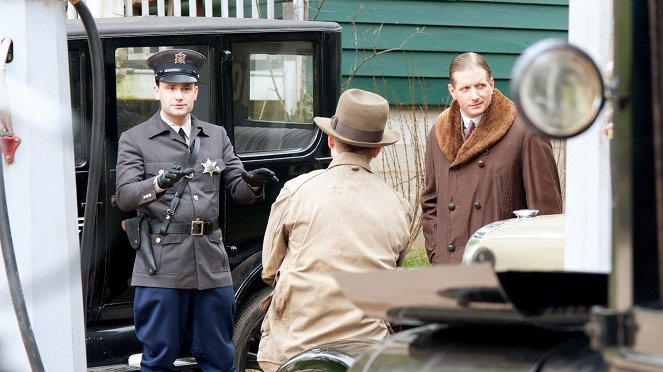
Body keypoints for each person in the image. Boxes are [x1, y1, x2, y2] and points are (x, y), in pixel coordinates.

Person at [115, 48, 278, 372]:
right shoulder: (135, 139)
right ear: (157, 90)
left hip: (210, 263)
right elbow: (125, 196)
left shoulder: (215, 136)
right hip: (162, 265)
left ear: (196, 91)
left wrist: (254, 183)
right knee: (159, 359)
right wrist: (159, 183)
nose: (179, 96)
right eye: (171, 88)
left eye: (186, 89)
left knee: (219, 357)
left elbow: (238, 190)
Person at [256, 88, 412, 372]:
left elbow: (269, 269)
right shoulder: (398, 205)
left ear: (331, 140)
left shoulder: (296, 190)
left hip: (294, 347)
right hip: (367, 352)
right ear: (377, 151)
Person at [421, 52, 562, 265]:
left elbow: (546, 211)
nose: (474, 95)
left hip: (504, 264)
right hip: (450, 265)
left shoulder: (526, 130)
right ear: (452, 91)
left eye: (480, 86)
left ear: (492, 84)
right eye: (465, 89)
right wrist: (436, 252)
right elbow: (430, 201)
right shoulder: (440, 131)